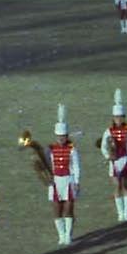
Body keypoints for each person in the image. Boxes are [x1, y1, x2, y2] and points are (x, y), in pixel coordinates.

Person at [99, 90, 127, 222]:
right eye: (116, 117)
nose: (119, 119)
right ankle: (120, 212)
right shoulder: (108, 131)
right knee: (117, 186)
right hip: (114, 162)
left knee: (126, 186)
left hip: (126, 160)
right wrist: (107, 156)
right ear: (113, 118)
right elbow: (103, 146)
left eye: (121, 117)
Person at [46, 103, 80, 246]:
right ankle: (61, 235)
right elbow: (45, 163)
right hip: (55, 181)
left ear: (67, 136)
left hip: (68, 180)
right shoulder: (50, 149)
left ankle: (68, 234)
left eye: (63, 136)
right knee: (56, 209)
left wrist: (77, 182)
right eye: (59, 136)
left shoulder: (72, 149)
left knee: (68, 208)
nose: (61, 139)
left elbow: (76, 166)